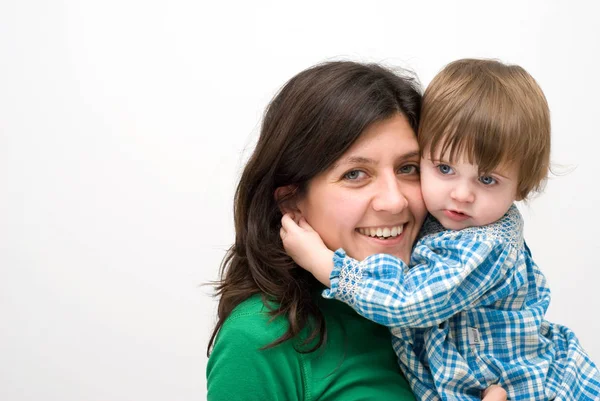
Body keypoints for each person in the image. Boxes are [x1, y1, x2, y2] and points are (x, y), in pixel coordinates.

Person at [280, 59, 600, 400]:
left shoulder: (484, 244)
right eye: (443, 168)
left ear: (522, 187)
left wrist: (324, 264)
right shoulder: (443, 224)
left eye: (488, 179)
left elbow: (408, 302)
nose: (461, 195)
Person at [206, 60, 507, 400]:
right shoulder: (259, 337)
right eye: (355, 174)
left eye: (408, 168)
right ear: (291, 200)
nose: (394, 202)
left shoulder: (464, 310)